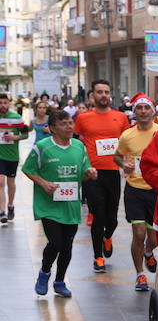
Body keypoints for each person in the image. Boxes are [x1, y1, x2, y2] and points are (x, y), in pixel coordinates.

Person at [22, 109, 97, 297]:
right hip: (48, 205)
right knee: (55, 242)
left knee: (67, 245)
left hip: (71, 205)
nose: (69, 126)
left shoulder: (79, 146)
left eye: (70, 122)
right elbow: (28, 169)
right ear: (53, 128)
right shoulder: (42, 146)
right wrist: (43, 183)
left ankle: (59, 281)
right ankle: (44, 272)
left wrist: (90, 173)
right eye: (64, 123)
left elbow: (84, 170)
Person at [74, 79, 130, 273]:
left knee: (112, 218)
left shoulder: (121, 117)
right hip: (92, 174)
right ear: (93, 95)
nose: (103, 95)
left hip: (113, 172)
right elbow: (76, 142)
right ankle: (98, 256)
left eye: (106, 92)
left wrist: (127, 164)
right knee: (98, 215)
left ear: (110, 95)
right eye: (99, 92)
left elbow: (127, 142)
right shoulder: (83, 118)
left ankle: (108, 237)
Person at [114, 93, 158, 291]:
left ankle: (149, 253)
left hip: (155, 190)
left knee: (153, 238)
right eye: (139, 108)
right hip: (134, 189)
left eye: (146, 108)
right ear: (134, 112)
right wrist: (123, 164)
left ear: (153, 111)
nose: (143, 112)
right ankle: (140, 275)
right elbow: (117, 156)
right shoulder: (127, 135)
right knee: (139, 233)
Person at [0, 93, 29, 224]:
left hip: (12, 156)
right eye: (0, 103)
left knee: (11, 183)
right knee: (0, 182)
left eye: (5, 103)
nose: (2, 105)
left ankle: (10, 205)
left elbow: (25, 135)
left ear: (9, 104)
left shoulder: (16, 118)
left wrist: (14, 137)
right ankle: (2, 212)